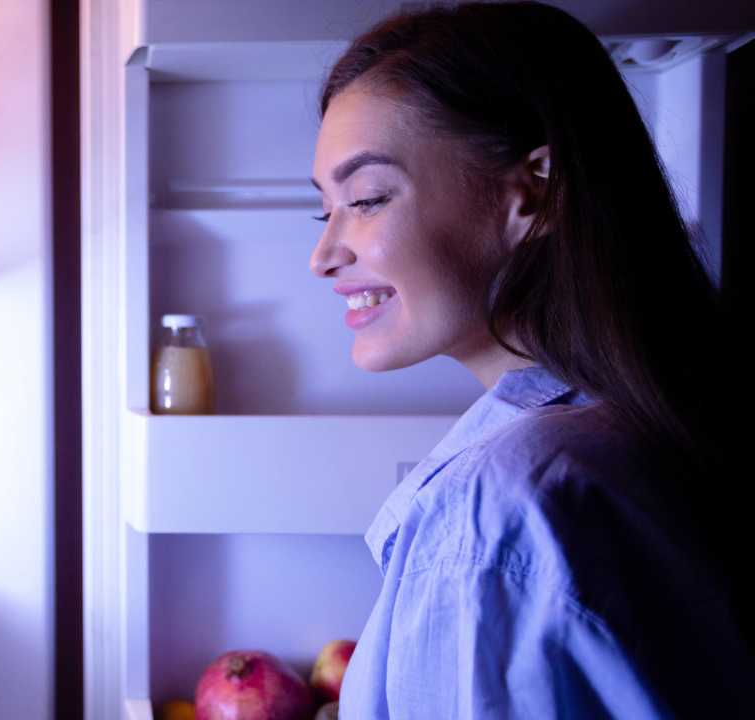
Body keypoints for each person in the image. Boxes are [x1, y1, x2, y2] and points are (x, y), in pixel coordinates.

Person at [307, 2, 751, 717]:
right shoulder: (652, 417)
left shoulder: (497, 509)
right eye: (323, 210)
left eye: (368, 197)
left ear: (533, 191)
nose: (324, 255)